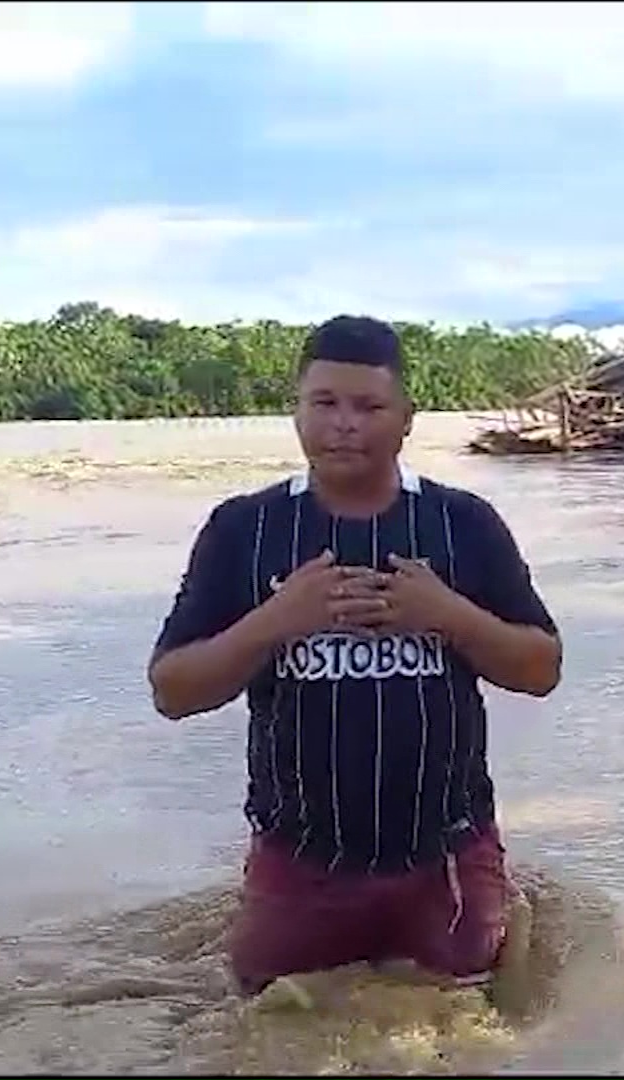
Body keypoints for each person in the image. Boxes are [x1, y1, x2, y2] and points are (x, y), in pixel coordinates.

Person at [146, 315, 563, 996]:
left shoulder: (464, 525)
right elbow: (172, 691)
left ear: (406, 420)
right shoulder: (243, 530)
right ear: (296, 412)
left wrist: (447, 614)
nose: (344, 424)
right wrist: (277, 621)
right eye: (325, 404)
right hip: (300, 859)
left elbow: (541, 669)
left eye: (369, 407)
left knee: (472, 1019)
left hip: (446, 856)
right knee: (265, 1016)